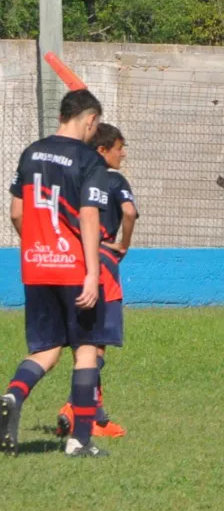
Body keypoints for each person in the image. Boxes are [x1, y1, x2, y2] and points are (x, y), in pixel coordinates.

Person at [0, 90, 114, 457]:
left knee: (46, 349)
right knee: (86, 349)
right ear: (90, 120)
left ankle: (12, 396)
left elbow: (16, 212)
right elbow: (89, 216)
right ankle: (80, 440)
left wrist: (38, 246)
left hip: (36, 265)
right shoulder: (89, 160)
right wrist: (93, 273)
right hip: (73, 268)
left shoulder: (30, 153)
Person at [55, 123, 136, 439]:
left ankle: (94, 414)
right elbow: (128, 212)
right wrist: (124, 245)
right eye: (119, 148)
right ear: (102, 150)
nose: (123, 154)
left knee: (82, 342)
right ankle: (75, 408)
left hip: (72, 262)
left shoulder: (73, 179)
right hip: (102, 263)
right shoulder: (112, 179)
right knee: (97, 345)